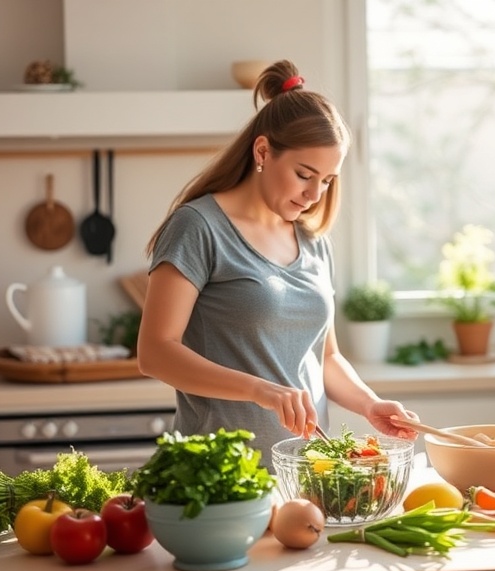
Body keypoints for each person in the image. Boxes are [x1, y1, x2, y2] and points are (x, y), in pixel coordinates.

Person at [137, 60, 417, 464]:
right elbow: (155, 352)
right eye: (305, 174)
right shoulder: (198, 228)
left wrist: (369, 404)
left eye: (327, 180)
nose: (315, 194)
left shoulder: (314, 242)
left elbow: (326, 357)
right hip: (220, 474)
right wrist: (259, 389)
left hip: (304, 472)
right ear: (263, 151)